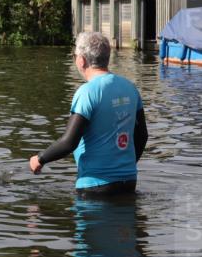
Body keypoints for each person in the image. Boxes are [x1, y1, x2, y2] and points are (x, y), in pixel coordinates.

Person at [29, 31, 148, 196]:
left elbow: (69, 142)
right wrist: (125, 166)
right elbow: (142, 136)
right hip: (128, 181)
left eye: (75, 55)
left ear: (81, 60)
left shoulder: (87, 92)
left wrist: (40, 158)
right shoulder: (130, 87)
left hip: (95, 185)